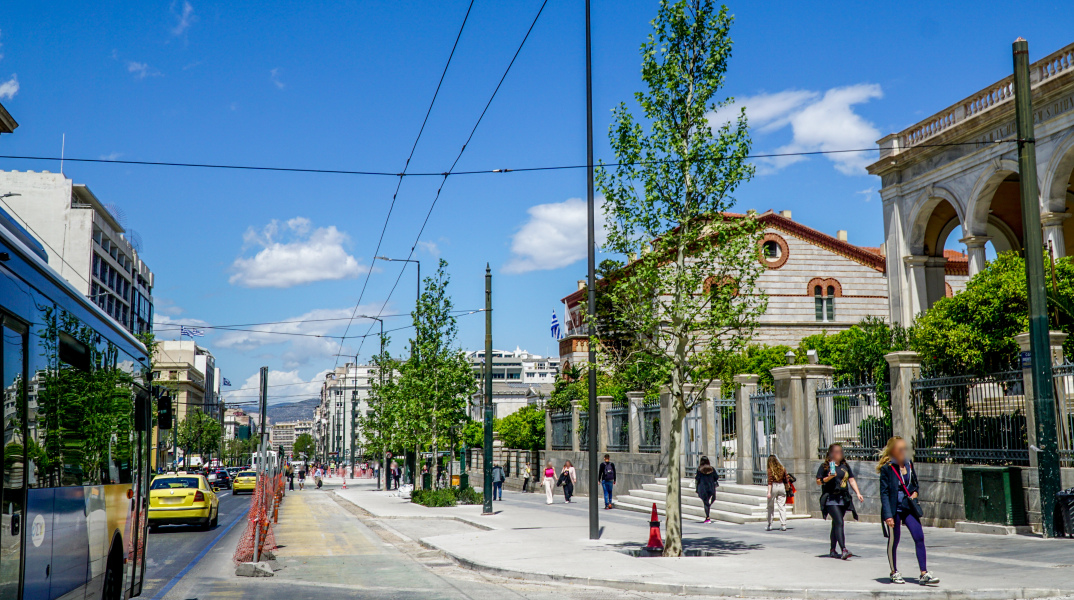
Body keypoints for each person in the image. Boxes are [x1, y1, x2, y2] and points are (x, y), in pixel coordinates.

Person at [879, 436, 939, 586]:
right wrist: (888, 516)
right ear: (893, 450)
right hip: (894, 509)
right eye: (900, 449)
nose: (903, 451)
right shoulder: (887, 468)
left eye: (904, 448)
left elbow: (915, 484)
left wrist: (915, 493)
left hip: (908, 507)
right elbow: (884, 493)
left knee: (919, 536)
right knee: (894, 540)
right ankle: (894, 572)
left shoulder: (909, 464)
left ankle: (924, 573)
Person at [816, 443, 863, 559]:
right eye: (837, 451)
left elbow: (851, 480)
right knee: (839, 522)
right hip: (830, 499)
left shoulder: (844, 466)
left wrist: (858, 493)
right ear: (831, 453)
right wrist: (830, 477)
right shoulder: (825, 466)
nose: (839, 454)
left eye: (840, 451)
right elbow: (818, 481)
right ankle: (844, 549)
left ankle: (832, 550)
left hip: (843, 498)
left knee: (836, 524)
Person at [766, 454, 791, 531]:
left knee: (770, 506)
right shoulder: (782, 468)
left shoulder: (770, 470)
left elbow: (770, 481)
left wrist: (769, 492)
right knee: (782, 506)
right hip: (781, 486)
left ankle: (770, 524)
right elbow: (786, 479)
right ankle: (783, 524)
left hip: (774, 486)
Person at [694, 456, 718, 523]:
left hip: (703, 488)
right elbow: (716, 477)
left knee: (705, 502)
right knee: (709, 501)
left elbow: (697, 479)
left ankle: (707, 517)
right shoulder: (712, 469)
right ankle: (708, 515)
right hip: (711, 487)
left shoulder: (699, 469)